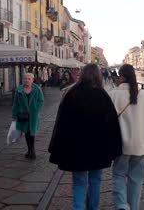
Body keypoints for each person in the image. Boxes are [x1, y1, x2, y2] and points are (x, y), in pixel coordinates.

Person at [49, 64, 122, 210]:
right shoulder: (102, 95)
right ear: (98, 76)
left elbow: (63, 123)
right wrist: (114, 147)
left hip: (77, 149)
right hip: (98, 149)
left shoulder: (72, 93)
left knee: (79, 182)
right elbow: (112, 124)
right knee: (95, 180)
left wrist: (60, 146)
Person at [108, 64, 144, 210]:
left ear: (121, 77)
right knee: (136, 180)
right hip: (142, 145)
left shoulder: (113, 94)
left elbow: (106, 121)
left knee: (119, 175)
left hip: (121, 145)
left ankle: (122, 205)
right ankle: (133, 208)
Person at [12, 73, 44, 160]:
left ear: (32, 80)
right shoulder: (19, 90)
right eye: (25, 78)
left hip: (33, 115)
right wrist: (14, 115)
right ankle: (29, 149)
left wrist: (36, 109)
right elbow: (15, 104)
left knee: (32, 132)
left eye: (29, 79)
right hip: (23, 114)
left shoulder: (37, 89)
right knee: (26, 132)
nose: (27, 80)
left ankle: (32, 150)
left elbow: (41, 101)